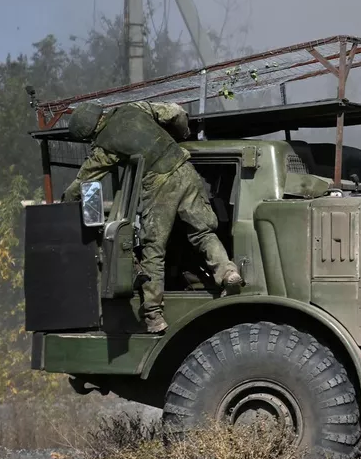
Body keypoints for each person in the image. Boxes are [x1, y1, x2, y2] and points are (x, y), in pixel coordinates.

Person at [64, 100, 242, 333]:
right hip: (185, 169)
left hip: (160, 184)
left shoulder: (104, 147)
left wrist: (66, 201)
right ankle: (228, 272)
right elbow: (176, 112)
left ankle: (153, 315)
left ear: (87, 133)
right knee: (202, 233)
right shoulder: (134, 108)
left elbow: (84, 180)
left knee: (153, 249)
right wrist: (182, 134)